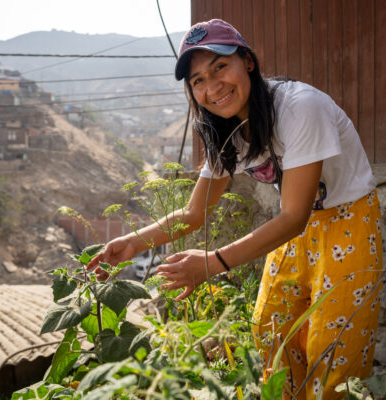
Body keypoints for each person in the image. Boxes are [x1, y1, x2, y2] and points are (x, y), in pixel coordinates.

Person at [88, 19, 383, 400]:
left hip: (349, 219)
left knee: (334, 351)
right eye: (197, 81)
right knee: (270, 328)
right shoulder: (225, 131)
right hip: (298, 225)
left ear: (248, 61)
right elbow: (194, 215)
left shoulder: (300, 108)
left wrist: (211, 262)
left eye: (220, 67)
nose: (212, 88)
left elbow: (293, 217)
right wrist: (133, 242)